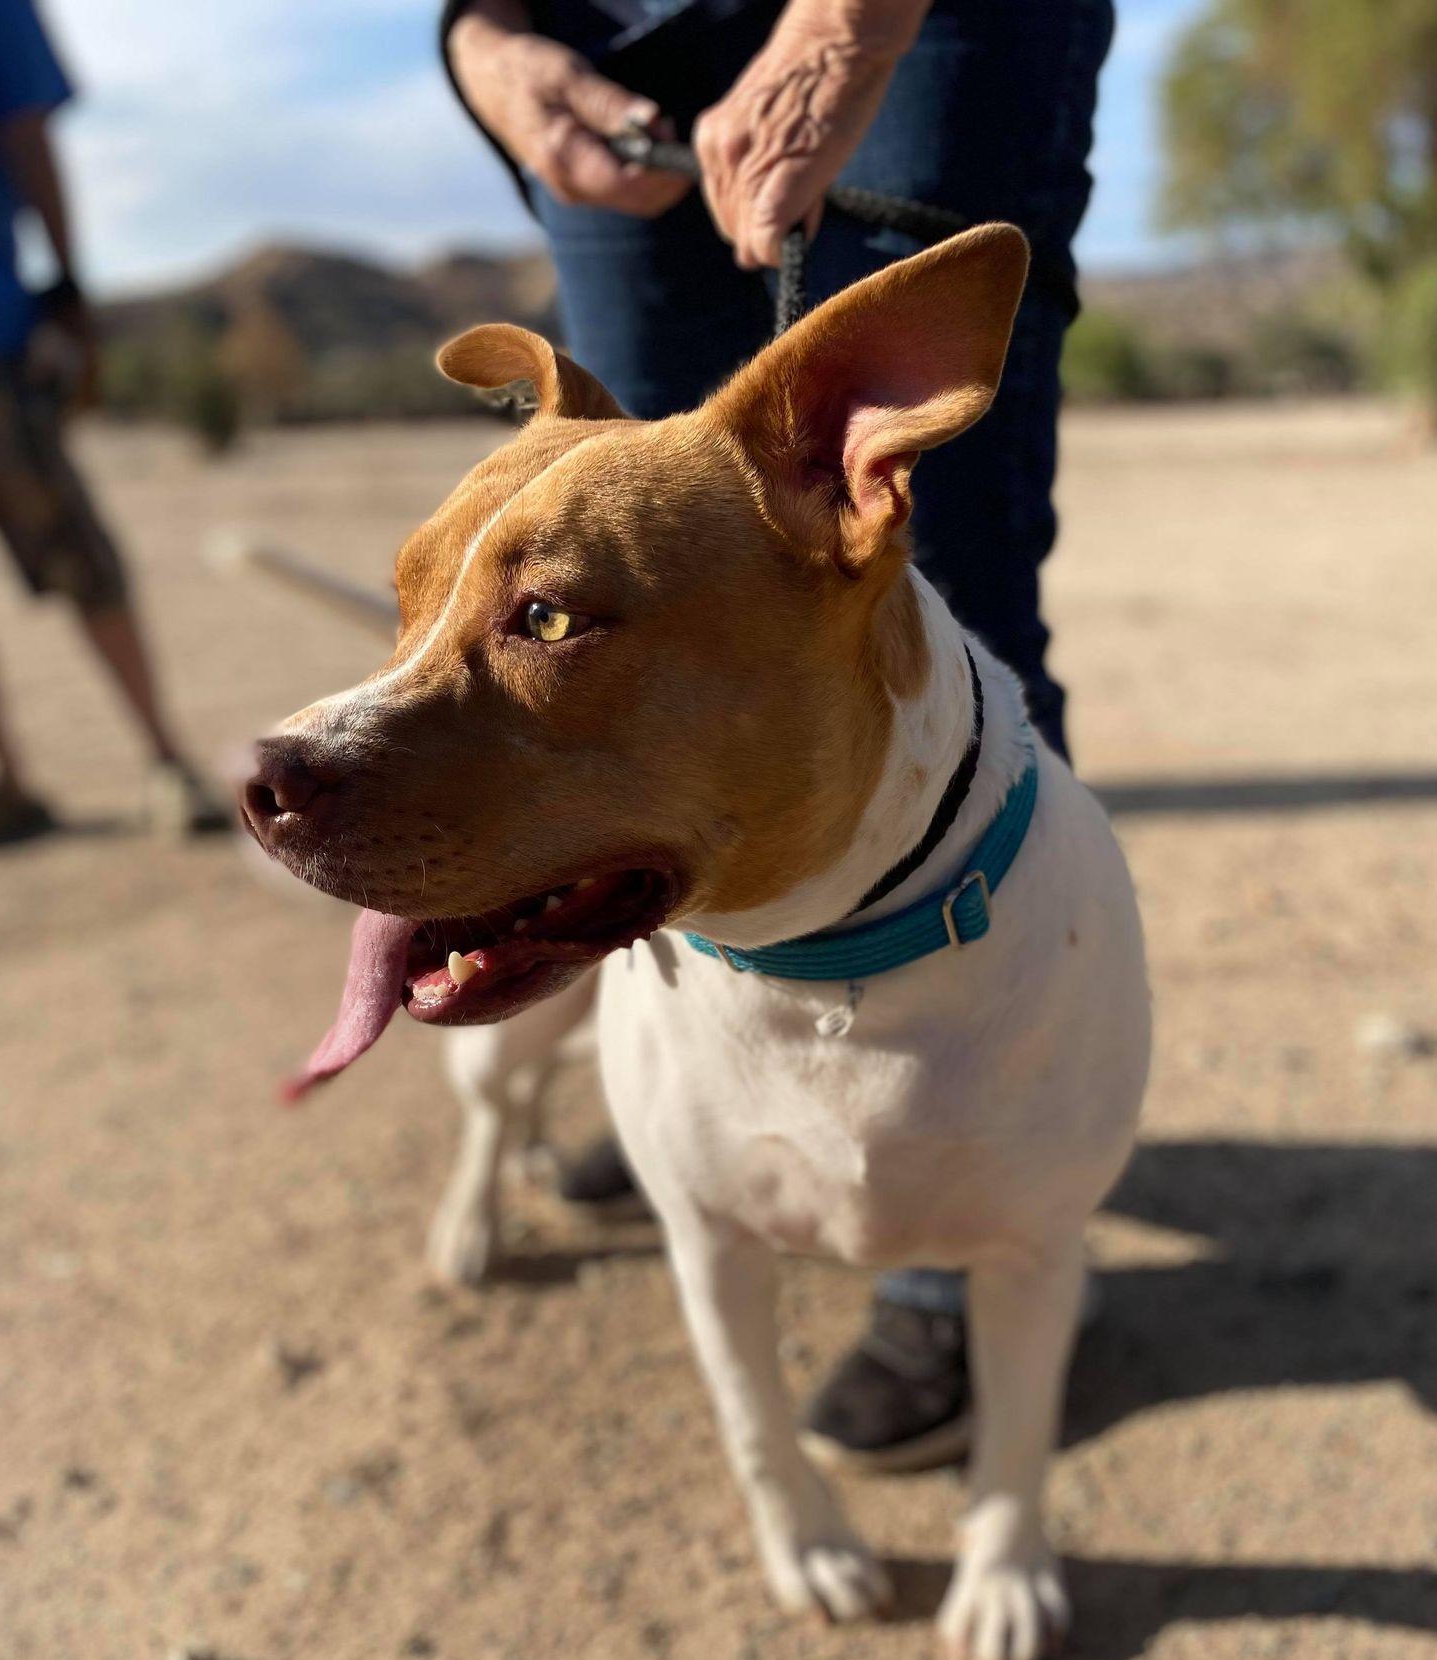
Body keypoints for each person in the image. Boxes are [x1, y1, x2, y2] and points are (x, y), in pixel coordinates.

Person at [440, 0, 1113, 1471]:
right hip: (605, 47)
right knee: (623, 601)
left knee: (937, 596)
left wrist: (841, 28)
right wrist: (478, 38)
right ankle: (711, 1111)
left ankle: (965, 1229)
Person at [0, 0, 225, 842]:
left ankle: (167, 760)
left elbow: (23, 130)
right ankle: (4, 784)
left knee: (79, 558)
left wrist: (66, 293)